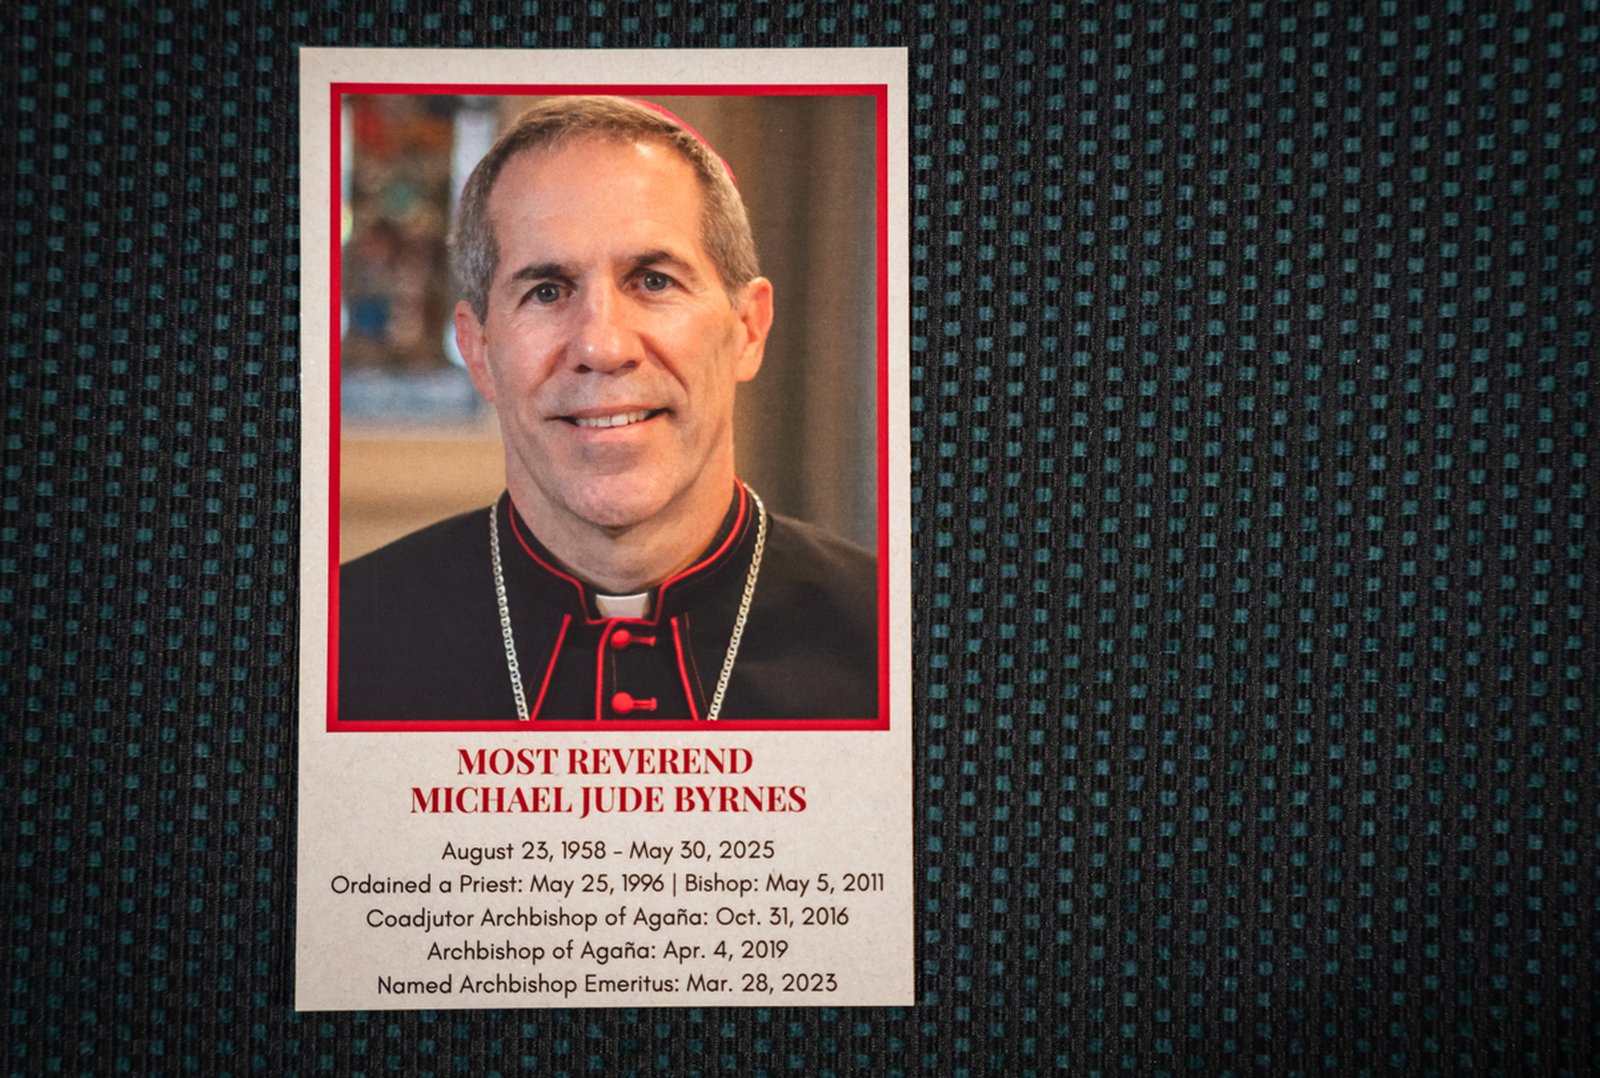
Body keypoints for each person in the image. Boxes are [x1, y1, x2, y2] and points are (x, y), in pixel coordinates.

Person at [338, 97, 878, 721]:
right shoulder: (338, 642)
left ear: (748, 329)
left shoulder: (891, 640)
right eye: (547, 291)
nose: (602, 346)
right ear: (478, 350)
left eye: (653, 281)